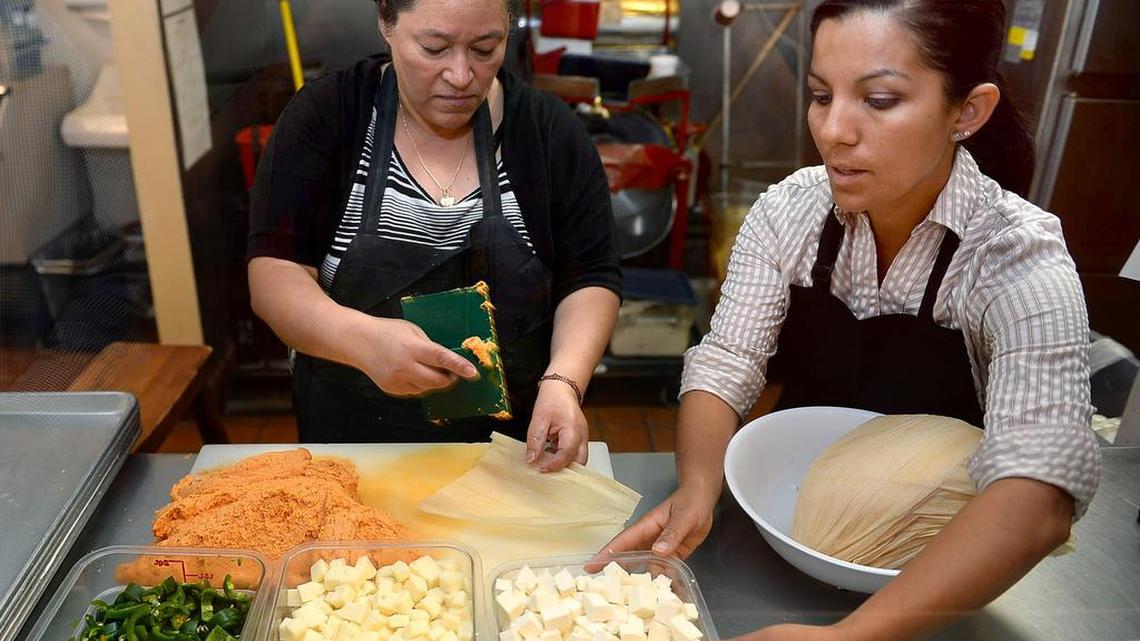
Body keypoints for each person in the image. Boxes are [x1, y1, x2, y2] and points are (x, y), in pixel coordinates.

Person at [601, 1, 1101, 639]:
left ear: (967, 111)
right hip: (786, 525)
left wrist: (848, 638)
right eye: (819, 95)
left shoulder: (1016, 259)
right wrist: (700, 487)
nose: (834, 129)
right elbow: (725, 364)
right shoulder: (790, 213)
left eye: (881, 100)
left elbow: (1039, 496)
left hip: (933, 575)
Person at [247, 0, 621, 470]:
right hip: (349, 455)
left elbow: (590, 277)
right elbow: (274, 274)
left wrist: (564, 381)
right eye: (434, 48)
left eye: (485, 49)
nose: (461, 75)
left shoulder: (548, 133)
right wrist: (364, 342)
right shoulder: (328, 116)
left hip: (513, 460)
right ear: (386, 24)